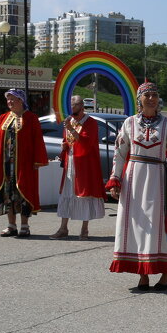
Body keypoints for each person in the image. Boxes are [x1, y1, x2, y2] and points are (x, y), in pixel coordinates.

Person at [105, 82, 167, 291]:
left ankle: (166, 273)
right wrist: (115, 178)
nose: (151, 99)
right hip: (133, 179)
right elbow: (120, 154)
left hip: (157, 178)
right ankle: (143, 275)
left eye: (154, 95)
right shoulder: (129, 123)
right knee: (135, 225)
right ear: (139, 99)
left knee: (156, 226)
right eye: (146, 95)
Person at [0, 89, 48, 238]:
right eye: (8, 100)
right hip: (5, 163)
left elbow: (37, 140)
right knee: (8, 193)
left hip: (24, 163)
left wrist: (37, 160)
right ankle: (11, 226)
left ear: (21, 100)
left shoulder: (31, 118)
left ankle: (25, 226)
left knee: (22, 192)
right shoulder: (3, 118)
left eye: (13, 99)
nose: (10, 102)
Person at [51, 94, 106, 240]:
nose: (71, 108)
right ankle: (63, 228)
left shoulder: (90, 122)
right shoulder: (70, 121)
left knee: (84, 195)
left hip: (85, 165)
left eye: (74, 105)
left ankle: (84, 229)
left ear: (81, 106)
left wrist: (71, 129)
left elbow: (87, 143)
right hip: (71, 162)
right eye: (70, 105)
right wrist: (64, 145)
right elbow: (68, 140)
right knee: (67, 194)